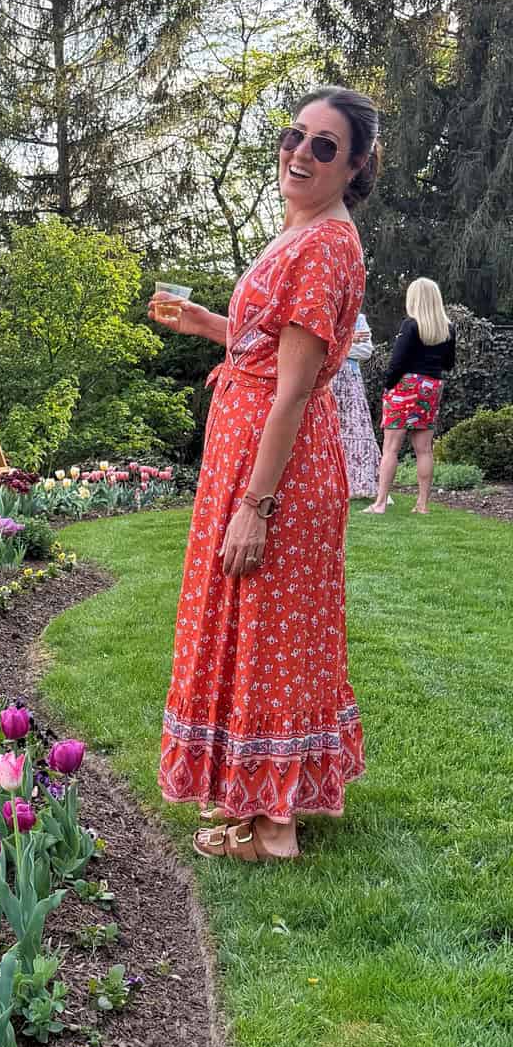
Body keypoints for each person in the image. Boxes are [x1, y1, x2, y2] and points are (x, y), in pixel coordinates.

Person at [148, 86, 374, 864]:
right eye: (295, 135)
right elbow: (273, 346)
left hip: (276, 463)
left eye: (323, 146)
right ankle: (257, 803)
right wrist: (210, 325)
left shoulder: (325, 248)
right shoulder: (304, 230)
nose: (300, 153)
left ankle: (273, 827)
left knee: (268, 631)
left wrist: (256, 506)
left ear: (354, 165)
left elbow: (296, 388)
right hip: (252, 446)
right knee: (255, 628)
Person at [366, 278, 456, 515]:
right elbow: (448, 363)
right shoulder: (448, 329)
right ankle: (423, 505)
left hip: (406, 385)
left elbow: (398, 361)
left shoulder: (411, 325)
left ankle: (381, 503)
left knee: (391, 448)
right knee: (424, 449)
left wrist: (388, 386)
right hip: (432, 386)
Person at [331, 310, 382, 499]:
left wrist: (338, 343)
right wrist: (348, 340)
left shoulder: (358, 318)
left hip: (350, 382)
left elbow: (366, 351)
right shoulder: (325, 315)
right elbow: (320, 346)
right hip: (326, 380)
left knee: (355, 429)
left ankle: (358, 485)